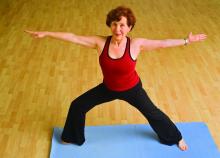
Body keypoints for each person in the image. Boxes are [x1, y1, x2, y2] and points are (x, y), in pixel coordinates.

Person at [25, 6, 207, 151]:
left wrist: (186, 41)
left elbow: (162, 43)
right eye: (114, 24)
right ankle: (71, 137)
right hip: (109, 88)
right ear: (109, 25)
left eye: (122, 25)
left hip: (132, 88)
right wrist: (47, 33)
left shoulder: (136, 44)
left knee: (153, 113)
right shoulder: (100, 42)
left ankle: (176, 137)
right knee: (78, 105)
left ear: (129, 28)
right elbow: (73, 37)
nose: (118, 29)